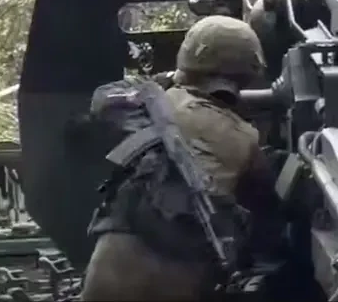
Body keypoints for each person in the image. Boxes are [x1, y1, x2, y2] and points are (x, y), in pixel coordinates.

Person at [79, 15, 284, 301]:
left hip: (108, 278)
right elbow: (267, 213)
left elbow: (96, 116)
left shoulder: (148, 105)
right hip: (178, 287)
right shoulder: (245, 138)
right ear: (247, 74)